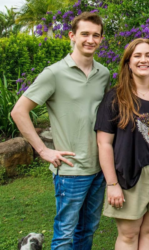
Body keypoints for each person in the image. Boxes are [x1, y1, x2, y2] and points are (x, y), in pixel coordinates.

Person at [11, 12, 110, 250]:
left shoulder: (103, 74)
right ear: (72, 36)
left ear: (101, 39)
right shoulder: (54, 73)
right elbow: (18, 111)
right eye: (84, 34)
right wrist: (43, 150)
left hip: (99, 168)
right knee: (65, 233)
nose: (90, 39)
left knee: (87, 231)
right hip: (70, 169)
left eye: (96, 35)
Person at [95, 38, 149, 250]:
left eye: (148, 55)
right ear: (128, 63)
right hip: (128, 176)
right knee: (129, 235)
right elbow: (104, 144)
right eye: (137, 56)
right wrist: (112, 185)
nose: (143, 60)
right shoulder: (115, 97)